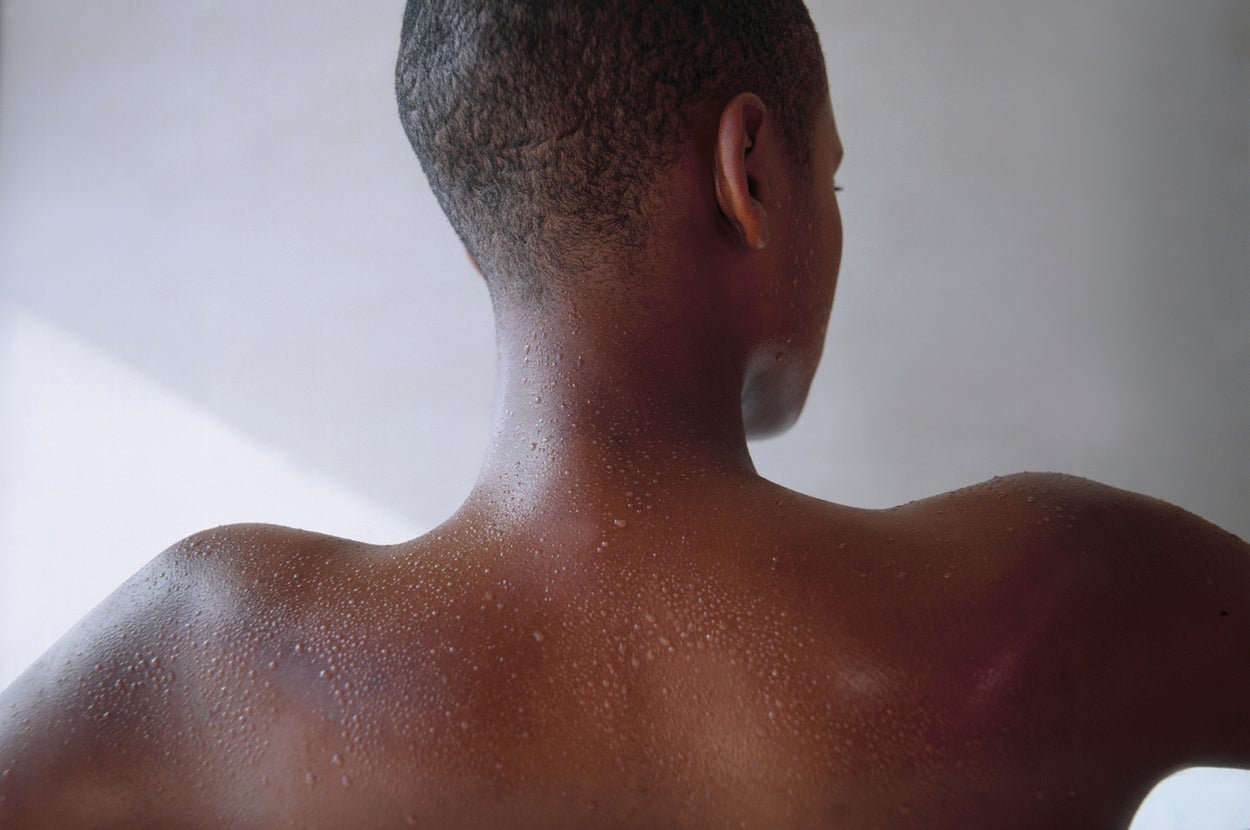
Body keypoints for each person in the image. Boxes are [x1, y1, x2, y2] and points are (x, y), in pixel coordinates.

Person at [1, 0, 1247, 826]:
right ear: (747, 172)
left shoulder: (213, 655)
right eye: (831, 173)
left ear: (485, 224)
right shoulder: (1056, 598)